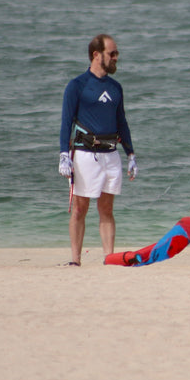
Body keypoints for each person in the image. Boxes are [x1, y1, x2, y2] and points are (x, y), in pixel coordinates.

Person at [58, 34, 137, 266]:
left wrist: (131, 154)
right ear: (96, 55)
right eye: (112, 53)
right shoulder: (77, 85)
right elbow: (66, 122)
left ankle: (109, 258)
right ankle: (75, 260)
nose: (116, 58)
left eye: (116, 53)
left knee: (107, 209)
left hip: (110, 155)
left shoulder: (115, 87)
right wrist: (63, 154)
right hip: (85, 154)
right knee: (80, 209)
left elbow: (122, 122)